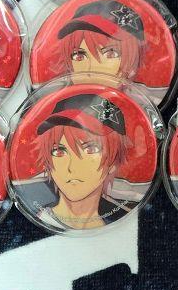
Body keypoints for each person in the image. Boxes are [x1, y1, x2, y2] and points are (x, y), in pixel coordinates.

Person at [31, 92, 131, 231]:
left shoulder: (125, 220)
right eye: (59, 152)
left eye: (90, 150)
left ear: (113, 163)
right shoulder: (36, 216)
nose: (72, 167)